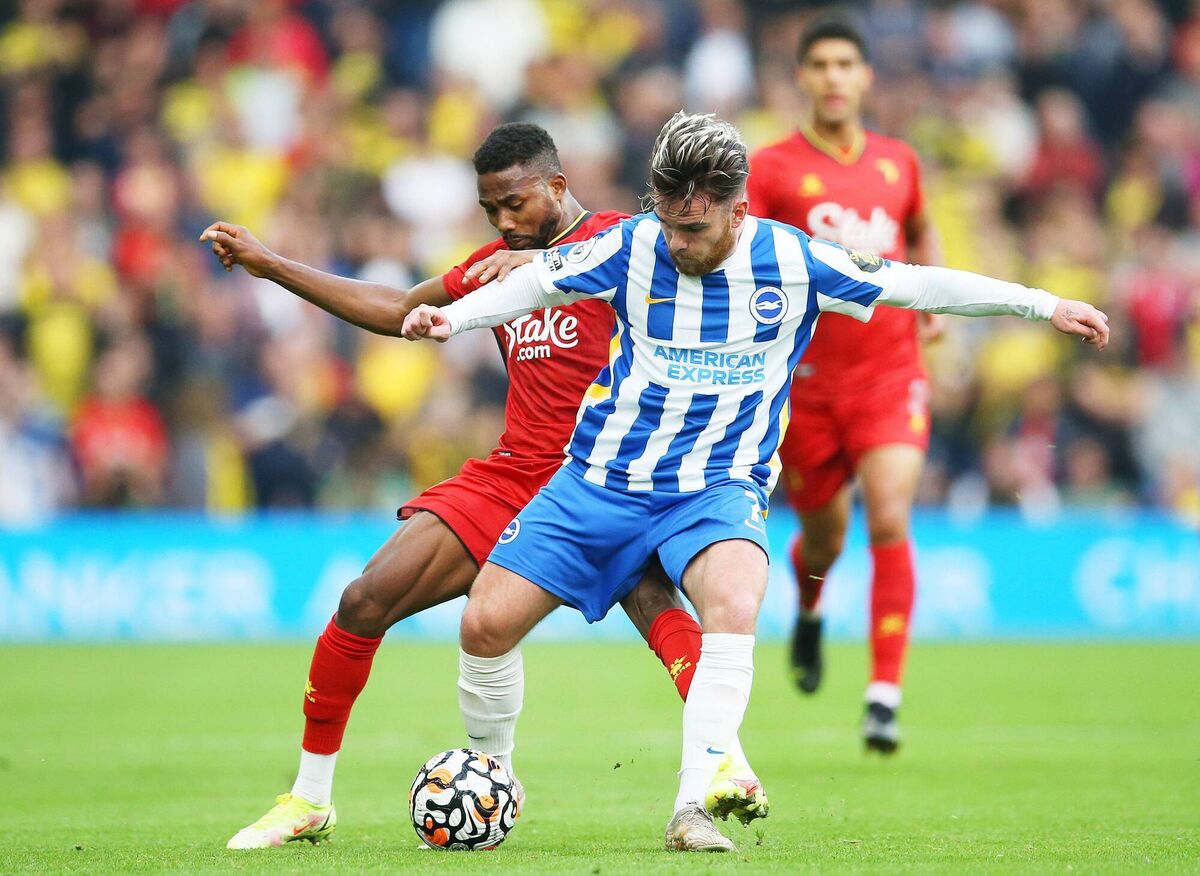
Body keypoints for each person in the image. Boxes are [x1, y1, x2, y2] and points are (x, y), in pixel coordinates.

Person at [401, 111, 1108, 852]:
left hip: (716, 487)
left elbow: (918, 284)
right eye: (669, 223)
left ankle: (692, 810)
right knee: (484, 625)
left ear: (738, 212)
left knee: (735, 603)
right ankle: (496, 778)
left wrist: (1044, 305)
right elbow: (537, 284)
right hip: (602, 479)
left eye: (694, 230)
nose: (678, 243)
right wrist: (453, 322)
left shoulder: (796, 260)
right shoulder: (633, 245)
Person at [204, 123, 746, 850]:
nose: (504, 222)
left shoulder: (630, 242)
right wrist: (273, 266)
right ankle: (309, 799)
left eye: (515, 203)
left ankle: (722, 774)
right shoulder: (495, 266)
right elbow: (400, 309)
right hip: (514, 473)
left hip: (609, 476)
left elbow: (710, 263)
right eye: (491, 209)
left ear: (557, 186)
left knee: (658, 608)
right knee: (364, 599)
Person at [747, 18, 943, 752]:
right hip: (808, 387)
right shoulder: (771, 168)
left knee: (889, 513)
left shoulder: (899, 162)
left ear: (865, 77)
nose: (833, 77)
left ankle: (883, 696)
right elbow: (746, 254)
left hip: (890, 374)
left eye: (845, 64)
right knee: (824, 541)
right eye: (820, 64)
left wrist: (931, 301)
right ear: (802, 77)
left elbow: (921, 232)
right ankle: (809, 611)